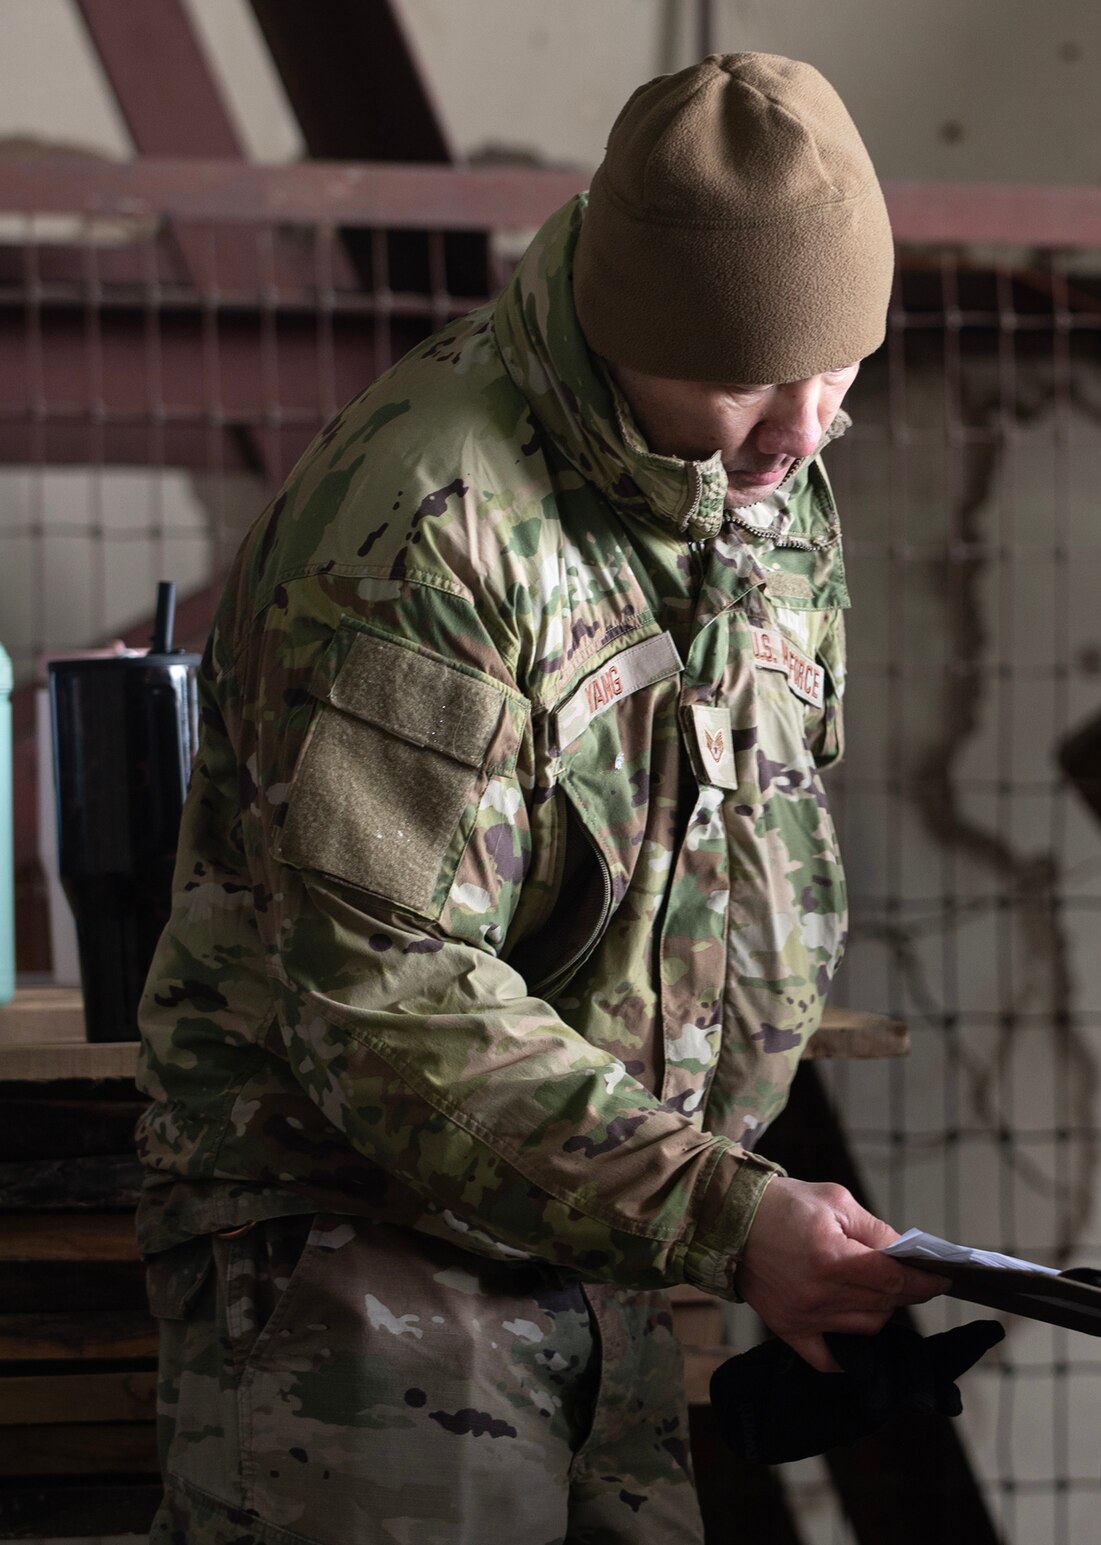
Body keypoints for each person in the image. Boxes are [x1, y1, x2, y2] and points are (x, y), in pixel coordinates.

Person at [135, 54, 951, 1545]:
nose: (803, 429)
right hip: (360, 1269)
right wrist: (718, 1210)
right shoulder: (431, 525)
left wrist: (727, 1209)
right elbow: (384, 994)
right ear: (622, 325)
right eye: (750, 380)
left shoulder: (767, 489)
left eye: (841, 369)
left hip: (608, 1252)